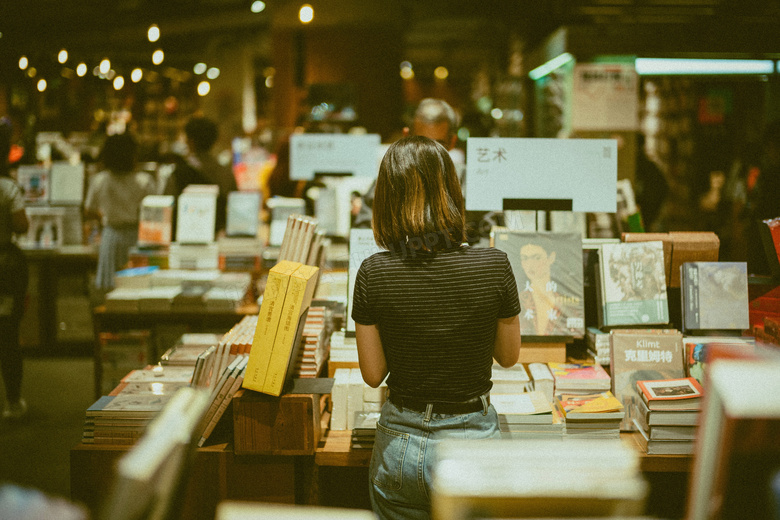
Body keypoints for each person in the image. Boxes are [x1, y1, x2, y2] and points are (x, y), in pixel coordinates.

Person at [351, 136, 522, 520]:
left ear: (387, 198)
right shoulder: (494, 265)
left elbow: (373, 374)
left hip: (400, 445)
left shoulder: (374, 272)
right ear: (452, 192)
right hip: (472, 441)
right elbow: (509, 357)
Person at [352, 98, 461, 229]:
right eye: (421, 142)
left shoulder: (469, 181)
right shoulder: (391, 179)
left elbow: (486, 233)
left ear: (453, 142)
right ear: (406, 136)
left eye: (438, 144)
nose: (429, 152)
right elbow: (363, 231)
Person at [85, 132, 156, 291]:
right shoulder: (144, 181)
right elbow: (154, 213)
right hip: (138, 237)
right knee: (137, 286)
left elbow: (89, 210)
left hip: (111, 236)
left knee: (110, 288)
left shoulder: (100, 180)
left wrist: (103, 218)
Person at [0, 118, 30, 419]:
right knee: (8, 334)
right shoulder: (7, 187)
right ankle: (12, 400)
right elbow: (21, 224)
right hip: (5, 268)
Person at [163, 116, 238, 234]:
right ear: (214, 141)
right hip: (218, 237)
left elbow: (166, 208)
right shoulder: (225, 173)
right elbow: (235, 207)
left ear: (190, 141)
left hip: (184, 236)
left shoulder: (178, 173)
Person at [517, 242, 578, 335]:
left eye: (537, 258)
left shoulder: (566, 300)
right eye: (524, 258)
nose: (530, 265)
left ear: (551, 258)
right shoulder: (519, 300)